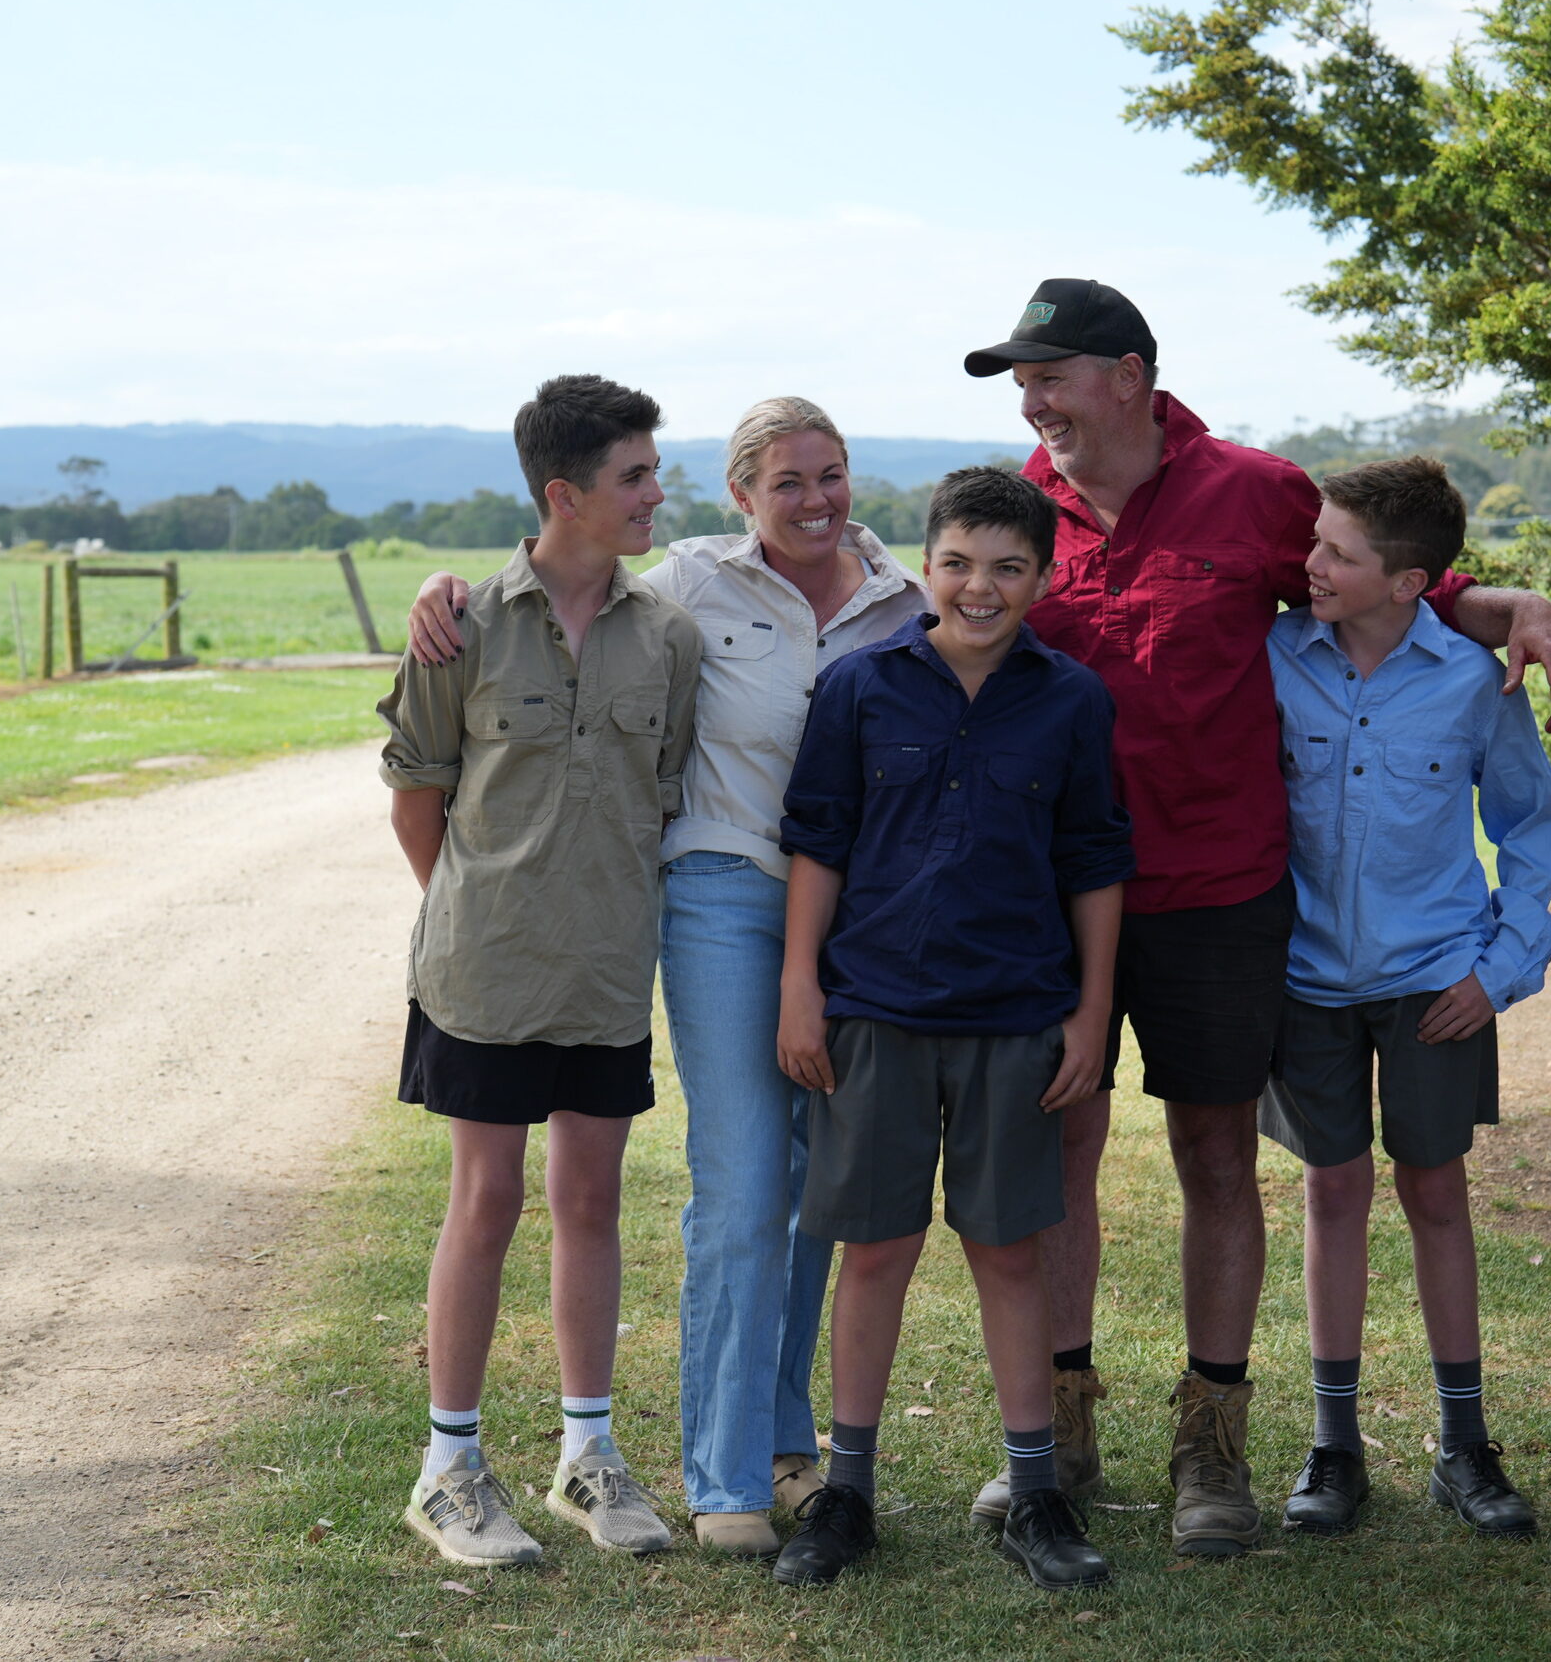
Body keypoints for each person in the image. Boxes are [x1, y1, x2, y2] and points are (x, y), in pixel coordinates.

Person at [958, 278, 1551, 1555]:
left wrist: (1506, 605)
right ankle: (1063, 1433)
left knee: (1215, 1158)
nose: (1033, 400)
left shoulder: (1253, 490)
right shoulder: (1019, 506)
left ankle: (1213, 1442)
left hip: (1224, 896)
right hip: (1056, 895)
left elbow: (1383, 574)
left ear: (1128, 375)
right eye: (1019, 382)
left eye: (1050, 374)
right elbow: (937, 607)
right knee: (1057, 1154)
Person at [406, 397, 929, 1556]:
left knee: (812, 1188)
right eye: (786, 480)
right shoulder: (692, 584)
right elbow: (440, 757)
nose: (816, 499)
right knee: (738, 1185)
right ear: (741, 496)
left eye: (832, 474)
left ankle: (770, 1446)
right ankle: (723, 1476)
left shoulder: (910, 599)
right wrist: (442, 591)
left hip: (863, 919)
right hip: (722, 893)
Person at [769, 467, 1131, 1591]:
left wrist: (1090, 1011)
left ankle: (1034, 1495)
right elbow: (818, 843)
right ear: (925, 565)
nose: (981, 587)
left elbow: (1094, 864)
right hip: (873, 1009)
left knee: (1007, 1254)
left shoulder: (1070, 700)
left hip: (1016, 1014)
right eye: (961, 563)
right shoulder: (861, 689)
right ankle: (848, 1493)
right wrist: (798, 988)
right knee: (872, 1249)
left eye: (1009, 568)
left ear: (1043, 576)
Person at [376, 373, 702, 1566]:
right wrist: (481, 908)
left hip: (608, 972)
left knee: (591, 1201)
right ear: (564, 494)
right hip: (483, 972)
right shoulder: (459, 624)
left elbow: (656, 788)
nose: (655, 494)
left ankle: (587, 1460)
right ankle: (449, 1470)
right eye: (635, 477)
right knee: (486, 1201)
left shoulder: (668, 635)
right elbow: (417, 797)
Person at [1262, 456, 1551, 1540]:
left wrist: (1497, 970)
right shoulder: (1275, 655)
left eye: (1337, 553)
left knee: (1435, 1194)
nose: (1309, 566)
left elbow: (1534, 826)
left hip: (1435, 982)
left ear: (1410, 583)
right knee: (1330, 1193)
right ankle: (1332, 1447)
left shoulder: (1468, 682)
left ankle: (1463, 1446)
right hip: (1304, 980)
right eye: (1313, 543)